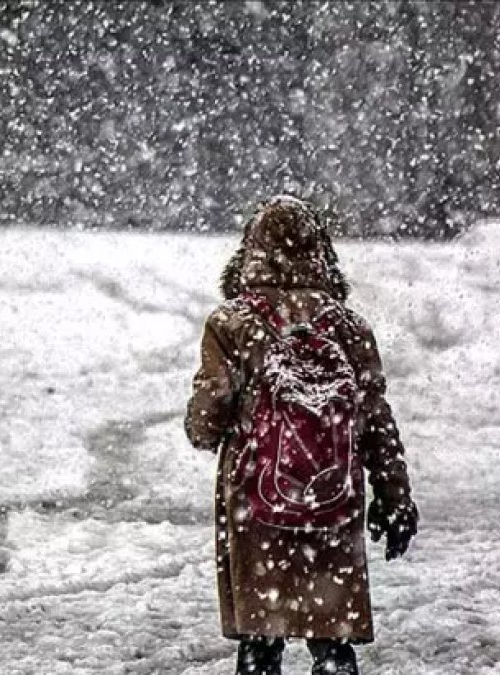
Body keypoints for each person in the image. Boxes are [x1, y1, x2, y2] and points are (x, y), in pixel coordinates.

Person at [185, 196, 417, 675]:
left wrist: (203, 428)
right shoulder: (348, 327)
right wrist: (394, 496)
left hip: (257, 495)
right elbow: (375, 418)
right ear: (321, 252)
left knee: (260, 641)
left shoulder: (231, 323)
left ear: (249, 252)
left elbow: (211, 411)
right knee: (331, 636)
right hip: (332, 497)